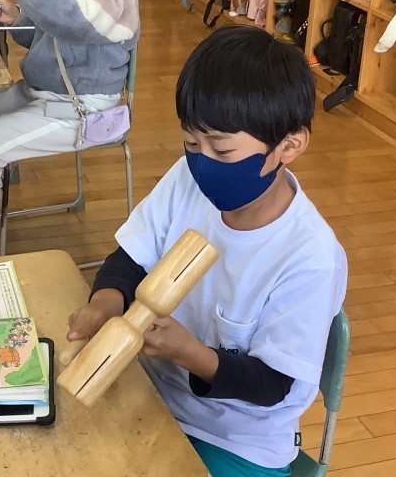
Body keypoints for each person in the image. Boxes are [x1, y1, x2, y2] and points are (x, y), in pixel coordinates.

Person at [65, 25, 348, 477]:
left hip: (238, 440)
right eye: (192, 143)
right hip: (154, 394)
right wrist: (105, 304)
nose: (201, 163)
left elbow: (272, 384)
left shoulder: (309, 257)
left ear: (288, 146)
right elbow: (133, 255)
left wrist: (188, 352)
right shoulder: (186, 179)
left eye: (222, 149)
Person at [0, 0, 140, 262]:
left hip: (84, 103)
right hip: (44, 90)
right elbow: (51, 34)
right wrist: (17, 18)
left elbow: (78, 22)